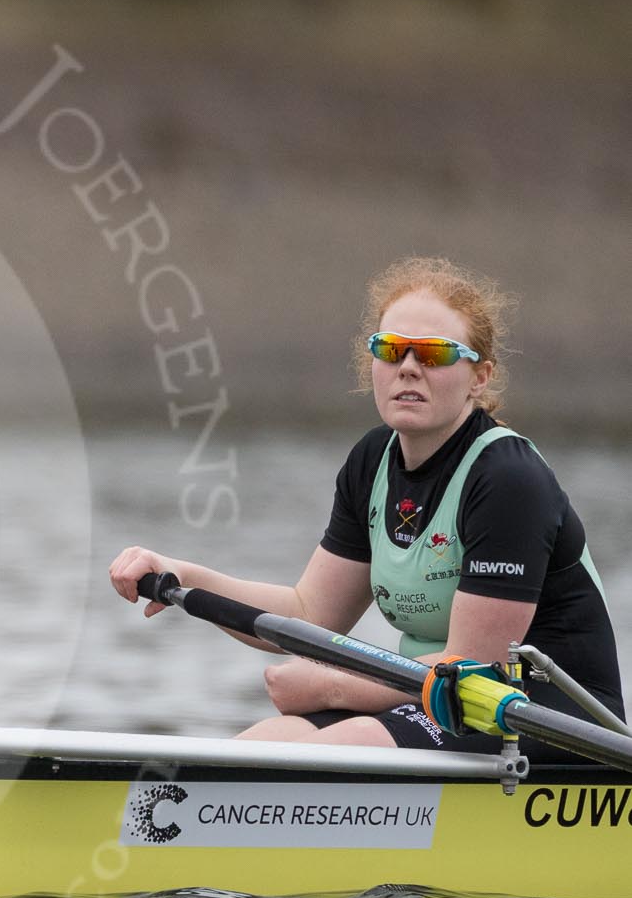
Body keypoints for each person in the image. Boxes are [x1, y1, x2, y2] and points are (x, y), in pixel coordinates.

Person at [110, 257, 620, 760]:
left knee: (344, 746)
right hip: (439, 696)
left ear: (479, 377)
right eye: (392, 349)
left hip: (547, 713)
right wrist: (183, 573)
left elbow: (471, 666)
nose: (409, 368)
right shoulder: (372, 461)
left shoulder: (508, 479)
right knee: (265, 742)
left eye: (435, 354)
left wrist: (331, 687)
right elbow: (308, 613)